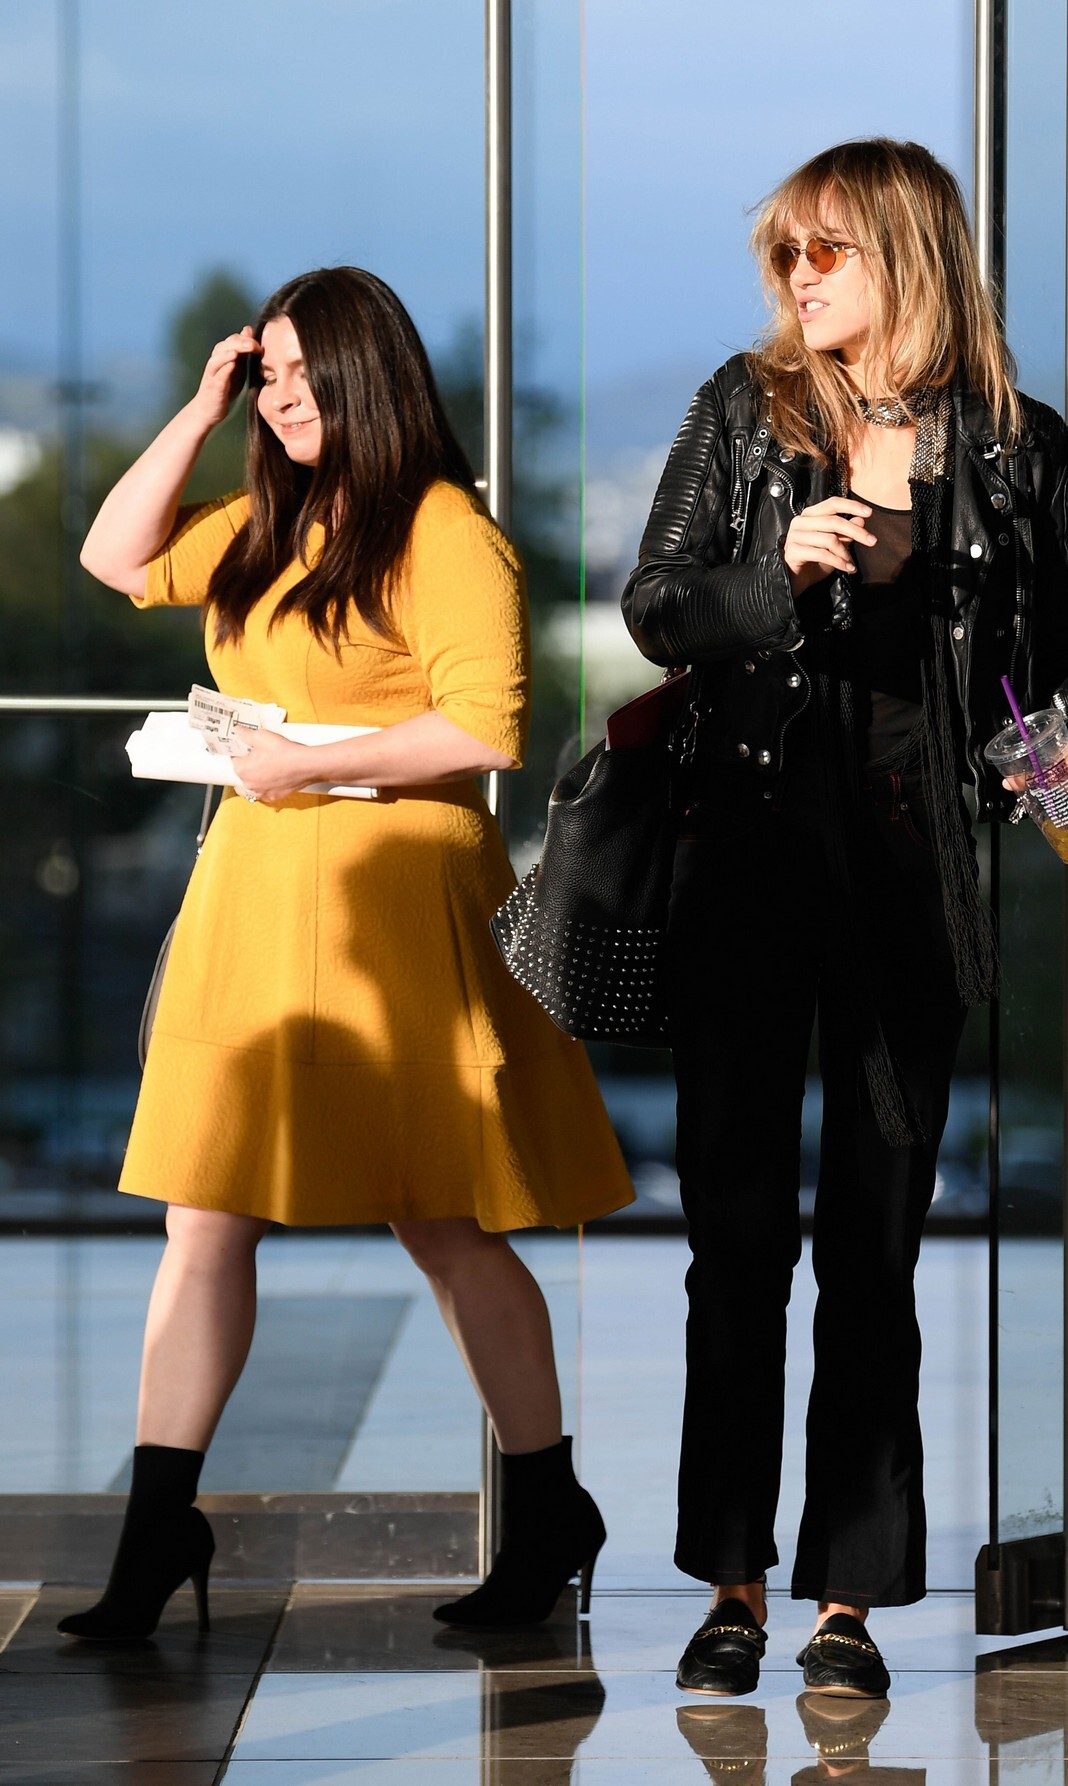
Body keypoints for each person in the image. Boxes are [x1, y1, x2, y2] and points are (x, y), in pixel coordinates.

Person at [622, 139, 1068, 1699]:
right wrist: (772, 570)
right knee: (734, 1243)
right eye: (784, 253)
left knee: (875, 1250)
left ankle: (846, 1602)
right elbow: (655, 604)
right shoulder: (744, 410)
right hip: (749, 866)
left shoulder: (1021, 449)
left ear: (905, 253)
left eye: (824, 250)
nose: (796, 278)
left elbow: (1051, 658)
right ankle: (730, 1585)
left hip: (914, 883)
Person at [63, 265, 633, 1642]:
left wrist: (302, 765)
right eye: (268, 371)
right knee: (203, 1213)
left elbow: (487, 728)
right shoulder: (268, 524)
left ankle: (548, 1506)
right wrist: (200, 407)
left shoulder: (445, 531)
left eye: (306, 371)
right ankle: (157, 1528)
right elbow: (113, 556)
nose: (284, 395)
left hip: (398, 899)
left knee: (443, 1222)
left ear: (372, 374)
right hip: (256, 895)